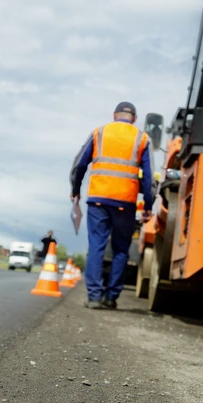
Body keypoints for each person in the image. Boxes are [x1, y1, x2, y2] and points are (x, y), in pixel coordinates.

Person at [69, 101, 153, 309]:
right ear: (134, 117)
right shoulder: (142, 138)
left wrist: (75, 190)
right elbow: (149, 179)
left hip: (98, 199)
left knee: (97, 246)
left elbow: (80, 164)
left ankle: (95, 297)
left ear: (115, 115)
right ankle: (111, 297)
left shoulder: (99, 132)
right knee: (121, 250)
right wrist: (149, 205)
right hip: (126, 201)